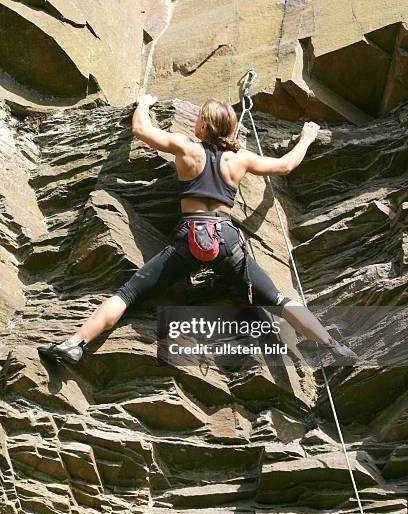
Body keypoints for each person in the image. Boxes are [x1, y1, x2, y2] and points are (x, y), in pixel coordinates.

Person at [38, 94, 358, 365]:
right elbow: (285, 166)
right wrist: (306, 139)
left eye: (200, 119)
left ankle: (75, 343)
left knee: (130, 292)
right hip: (227, 240)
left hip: (189, 238)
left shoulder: (186, 149)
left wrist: (145, 103)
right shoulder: (240, 159)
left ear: (204, 125)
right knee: (276, 298)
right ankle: (333, 346)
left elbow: (140, 130)